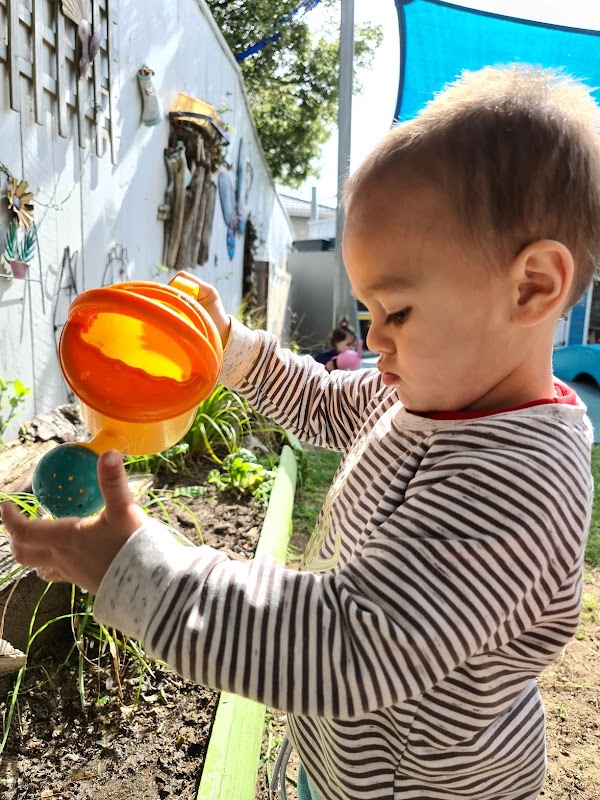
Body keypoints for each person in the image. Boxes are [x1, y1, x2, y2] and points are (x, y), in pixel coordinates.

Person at [4, 64, 600, 800]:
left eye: (397, 311)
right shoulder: (424, 392)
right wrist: (233, 350)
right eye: (368, 312)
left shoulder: (517, 483)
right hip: (350, 755)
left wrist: (135, 571)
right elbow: (321, 403)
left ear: (533, 286)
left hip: (417, 785)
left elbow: (349, 646)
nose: (373, 339)